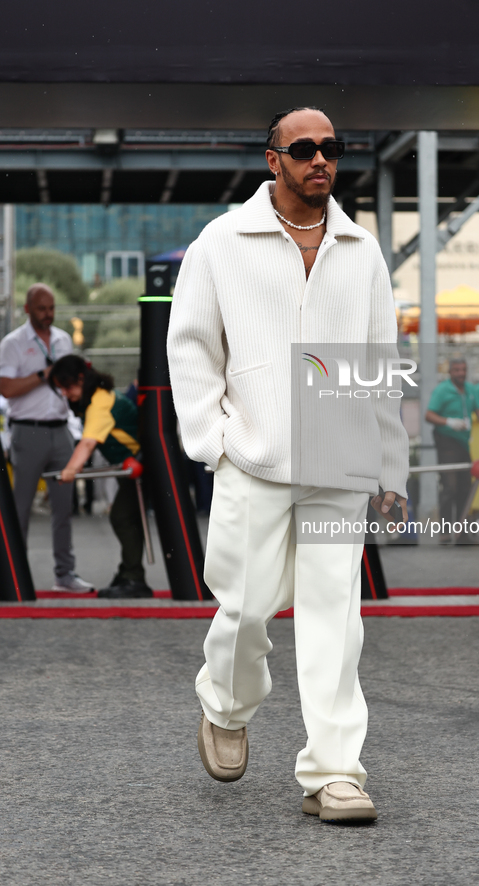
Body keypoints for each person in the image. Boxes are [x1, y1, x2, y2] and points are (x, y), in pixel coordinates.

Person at [167, 107, 409, 822]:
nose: (319, 160)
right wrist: (213, 440)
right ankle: (226, 702)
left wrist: (388, 468)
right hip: (255, 457)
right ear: (272, 160)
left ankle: (334, 772)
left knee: (335, 620)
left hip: (339, 462)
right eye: (303, 148)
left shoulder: (361, 250)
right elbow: (191, 350)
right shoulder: (221, 243)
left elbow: (378, 362)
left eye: (330, 149)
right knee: (243, 609)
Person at [0, 284, 93, 591]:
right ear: (27, 309)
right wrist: (45, 375)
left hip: (61, 429)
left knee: (64, 508)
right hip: (28, 430)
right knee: (21, 508)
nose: (48, 314)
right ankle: (12, 574)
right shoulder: (12, 343)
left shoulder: (64, 339)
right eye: (42, 308)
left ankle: (65, 575)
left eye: (52, 308)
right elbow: (7, 389)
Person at [49, 354, 152, 599]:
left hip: (139, 464)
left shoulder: (99, 403)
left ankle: (134, 578)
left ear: (82, 379)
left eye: (68, 386)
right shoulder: (98, 397)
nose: (65, 393)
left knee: (122, 518)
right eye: (61, 388)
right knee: (126, 519)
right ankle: (128, 571)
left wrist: (70, 470)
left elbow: (87, 444)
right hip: (129, 465)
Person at [425, 358, 479, 540]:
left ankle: (462, 534)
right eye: (457, 370)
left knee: (465, 488)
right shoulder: (443, 390)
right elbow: (429, 415)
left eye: (464, 369)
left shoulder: (470, 389)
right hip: (447, 441)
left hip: (464, 443)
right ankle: (444, 532)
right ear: (450, 372)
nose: (461, 373)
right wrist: (449, 422)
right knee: (450, 487)